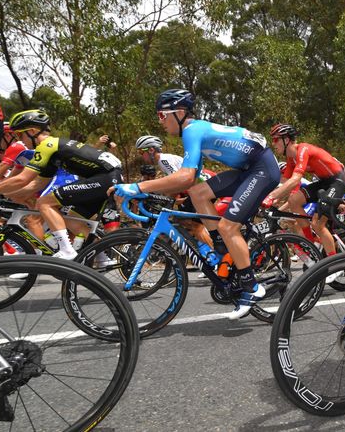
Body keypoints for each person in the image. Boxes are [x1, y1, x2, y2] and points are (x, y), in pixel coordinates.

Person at [113, 89, 279, 319]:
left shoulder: (192, 130)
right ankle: (221, 246)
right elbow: (190, 180)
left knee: (228, 226)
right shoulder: (194, 132)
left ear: (179, 113)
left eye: (162, 115)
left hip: (262, 169)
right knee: (198, 192)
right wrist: (149, 194)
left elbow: (185, 175)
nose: (160, 121)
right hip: (247, 170)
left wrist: (138, 187)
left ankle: (251, 287)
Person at [0, 109, 122, 259]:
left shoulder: (47, 145)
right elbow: (37, 184)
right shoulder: (53, 151)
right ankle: (104, 258)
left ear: (32, 131)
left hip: (106, 176)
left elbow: (22, 179)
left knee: (44, 203)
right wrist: (8, 195)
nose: (19, 140)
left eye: (20, 135)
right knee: (71, 219)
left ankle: (67, 250)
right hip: (108, 177)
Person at [265, 123, 345, 278]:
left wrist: (272, 197)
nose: (273, 143)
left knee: (318, 223)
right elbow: (284, 180)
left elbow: (296, 179)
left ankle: (334, 265)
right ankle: (311, 245)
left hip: (337, 181)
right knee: (294, 200)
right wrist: (263, 190)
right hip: (324, 182)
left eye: (276, 139)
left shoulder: (302, 150)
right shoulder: (291, 158)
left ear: (286, 140)